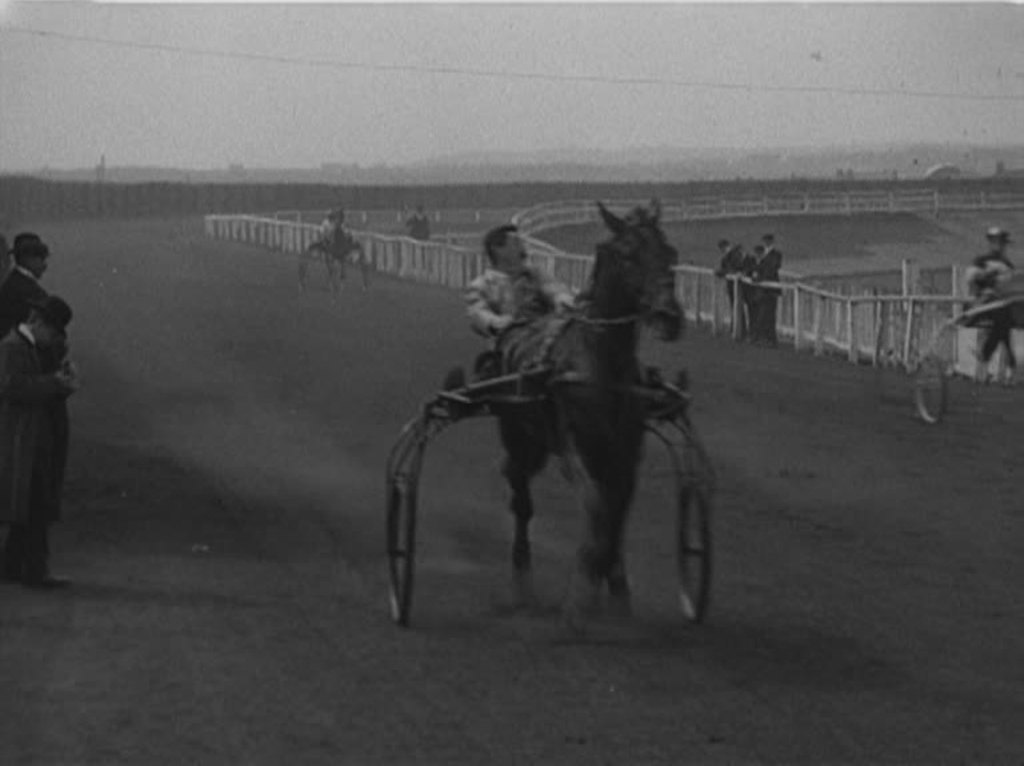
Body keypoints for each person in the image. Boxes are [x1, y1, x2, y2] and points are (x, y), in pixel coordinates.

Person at [0, 294, 79, 588]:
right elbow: (11, 386)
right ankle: (35, 571)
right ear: (38, 324)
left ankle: (11, 565)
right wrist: (54, 383)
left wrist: (59, 382)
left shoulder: (27, 347)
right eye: (53, 333)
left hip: (32, 439)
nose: (53, 339)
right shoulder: (12, 348)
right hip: (23, 439)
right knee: (35, 507)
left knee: (29, 505)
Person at [444, 224, 574, 387]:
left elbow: (554, 290)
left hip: (548, 335)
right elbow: (478, 312)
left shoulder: (536, 275)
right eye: (516, 242)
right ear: (498, 249)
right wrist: (497, 322)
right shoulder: (481, 285)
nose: (523, 247)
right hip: (506, 344)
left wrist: (563, 301)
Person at [966, 226, 1016, 384]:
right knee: (1003, 321)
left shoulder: (1008, 264)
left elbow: (1012, 284)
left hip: (1003, 305)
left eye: (1002, 243)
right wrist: (986, 275)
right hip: (982, 305)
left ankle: (985, 358)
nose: (1000, 246)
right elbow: (971, 279)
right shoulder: (981, 261)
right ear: (991, 242)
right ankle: (1009, 364)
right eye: (997, 242)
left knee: (1003, 320)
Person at [752, 234, 783, 346]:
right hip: (762, 288)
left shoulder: (776, 254)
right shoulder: (762, 253)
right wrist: (755, 276)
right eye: (765, 240)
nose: (766, 242)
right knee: (762, 313)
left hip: (770, 289)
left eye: (768, 240)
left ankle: (771, 339)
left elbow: (774, 268)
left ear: (771, 241)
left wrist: (761, 277)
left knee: (769, 314)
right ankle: (763, 337)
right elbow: (756, 267)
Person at [714, 238, 748, 339]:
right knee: (734, 306)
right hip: (732, 284)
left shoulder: (733, 255)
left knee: (737, 306)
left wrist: (722, 272)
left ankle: (739, 329)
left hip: (737, 284)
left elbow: (734, 269)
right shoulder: (729, 256)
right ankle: (736, 328)